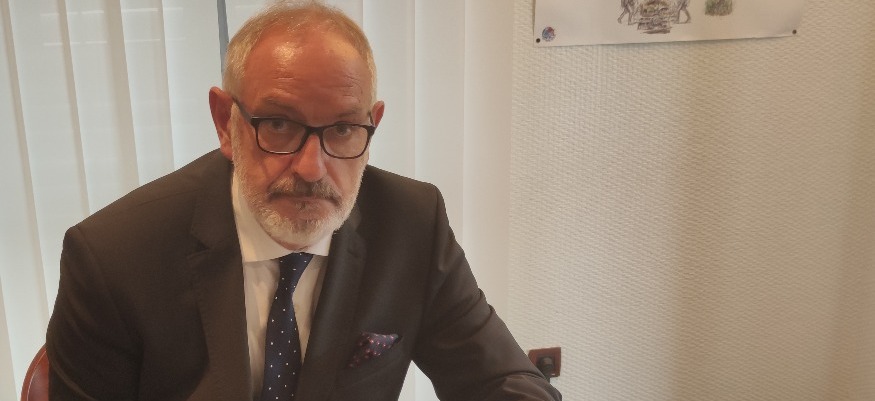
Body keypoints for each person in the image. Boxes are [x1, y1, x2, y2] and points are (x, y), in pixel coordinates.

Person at [45, 1, 562, 400]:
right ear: (225, 122)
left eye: (342, 129)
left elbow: (504, 380)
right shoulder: (113, 257)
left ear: (372, 125)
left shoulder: (412, 224)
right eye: (278, 124)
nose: (312, 168)